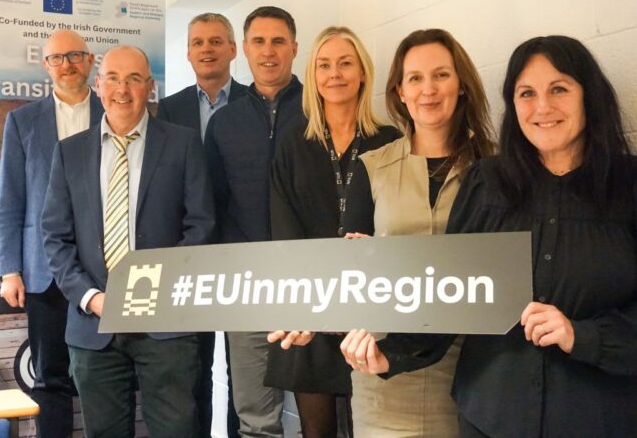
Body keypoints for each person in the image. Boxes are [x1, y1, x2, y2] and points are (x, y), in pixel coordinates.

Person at [342, 35, 637, 437]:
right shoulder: (486, 183)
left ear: (590, 95)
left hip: (596, 418)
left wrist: (580, 335)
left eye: (559, 89)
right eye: (526, 93)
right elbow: (452, 294)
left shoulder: (630, 188)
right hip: (490, 417)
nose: (543, 107)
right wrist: (389, 355)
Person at [41, 45, 215, 437]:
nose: (123, 89)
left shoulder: (183, 145)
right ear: (98, 85)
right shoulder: (69, 153)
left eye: (135, 79)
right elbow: (55, 238)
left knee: (177, 430)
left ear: (149, 87)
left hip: (166, 324)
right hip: (93, 324)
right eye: (114, 79)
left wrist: (157, 288)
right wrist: (91, 297)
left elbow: (201, 226)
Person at [340, 28, 495, 436]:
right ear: (400, 91)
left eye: (441, 75)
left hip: (472, 373)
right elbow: (347, 274)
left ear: (461, 85)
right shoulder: (371, 166)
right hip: (381, 367)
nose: (429, 89)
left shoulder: (496, 169)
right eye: (415, 78)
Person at [265, 26, 400, 438]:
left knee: (370, 425)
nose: (335, 74)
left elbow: (397, 224)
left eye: (345, 63)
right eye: (324, 65)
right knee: (315, 430)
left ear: (363, 72)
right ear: (313, 74)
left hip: (369, 306)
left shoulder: (390, 142)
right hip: (311, 304)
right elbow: (283, 225)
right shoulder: (292, 144)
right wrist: (311, 298)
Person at [0, 29, 103, 438]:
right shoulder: (22, 121)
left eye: (75, 55)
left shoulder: (114, 109)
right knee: (50, 378)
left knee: (102, 375)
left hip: (102, 269)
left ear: (90, 60)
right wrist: (9, 269)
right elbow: (10, 200)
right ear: (45, 65)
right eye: (57, 58)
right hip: (43, 271)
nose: (67, 64)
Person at [204, 6, 302, 437]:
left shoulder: (318, 111)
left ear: (294, 48)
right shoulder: (224, 122)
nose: (268, 52)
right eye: (258, 42)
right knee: (256, 421)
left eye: (278, 41)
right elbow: (213, 207)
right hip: (248, 286)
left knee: (327, 416)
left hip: (313, 283)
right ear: (243, 49)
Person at [156, 12, 246, 438]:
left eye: (215, 41)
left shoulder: (253, 103)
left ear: (232, 49)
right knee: (192, 365)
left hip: (241, 250)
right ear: (187, 52)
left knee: (241, 368)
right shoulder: (166, 110)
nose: (206, 49)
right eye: (197, 42)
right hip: (187, 251)